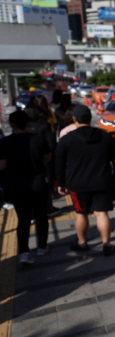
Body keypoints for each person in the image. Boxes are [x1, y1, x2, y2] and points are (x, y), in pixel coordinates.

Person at [55, 105, 115, 256]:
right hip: (102, 181)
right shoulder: (104, 136)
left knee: (81, 213)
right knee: (102, 213)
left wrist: (60, 183)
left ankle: (82, 242)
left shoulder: (66, 139)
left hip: (77, 184)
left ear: (74, 119)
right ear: (90, 119)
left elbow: (58, 163)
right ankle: (107, 245)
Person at [0, 110, 52, 264]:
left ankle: (24, 252)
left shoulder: (4, 143)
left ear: (11, 124)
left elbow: (1, 166)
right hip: (38, 181)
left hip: (16, 184)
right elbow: (48, 158)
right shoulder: (38, 138)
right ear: (28, 124)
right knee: (41, 215)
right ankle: (42, 246)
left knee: (23, 218)